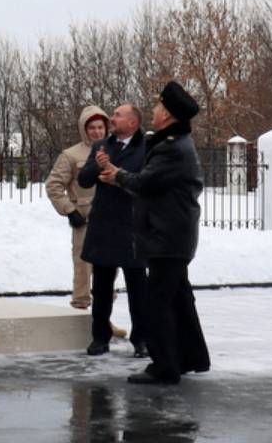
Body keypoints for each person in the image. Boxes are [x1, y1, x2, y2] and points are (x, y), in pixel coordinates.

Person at [105, 81, 211, 385]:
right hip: (172, 236)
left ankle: (165, 367)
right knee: (178, 298)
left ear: (167, 115)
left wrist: (117, 176)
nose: (153, 111)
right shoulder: (173, 144)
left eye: (157, 107)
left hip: (167, 237)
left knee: (158, 302)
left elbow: (146, 183)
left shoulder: (173, 148)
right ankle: (192, 357)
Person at [77, 103, 149, 356]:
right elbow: (83, 180)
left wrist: (120, 177)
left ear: (133, 123)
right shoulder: (101, 146)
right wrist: (97, 165)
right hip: (104, 225)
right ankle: (100, 337)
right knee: (102, 287)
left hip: (133, 227)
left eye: (118, 115)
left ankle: (141, 339)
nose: (112, 118)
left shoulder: (147, 147)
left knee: (138, 288)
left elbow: (148, 183)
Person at [45, 105, 108, 310]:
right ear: (84, 129)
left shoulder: (113, 151)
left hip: (110, 218)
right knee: (83, 268)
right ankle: (80, 308)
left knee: (108, 271)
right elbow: (53, 185)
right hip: (84, 219)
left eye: (100, 127)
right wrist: (69, 210)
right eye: (92, 128)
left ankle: (102, 318)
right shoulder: (71, 155)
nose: (97, 132)